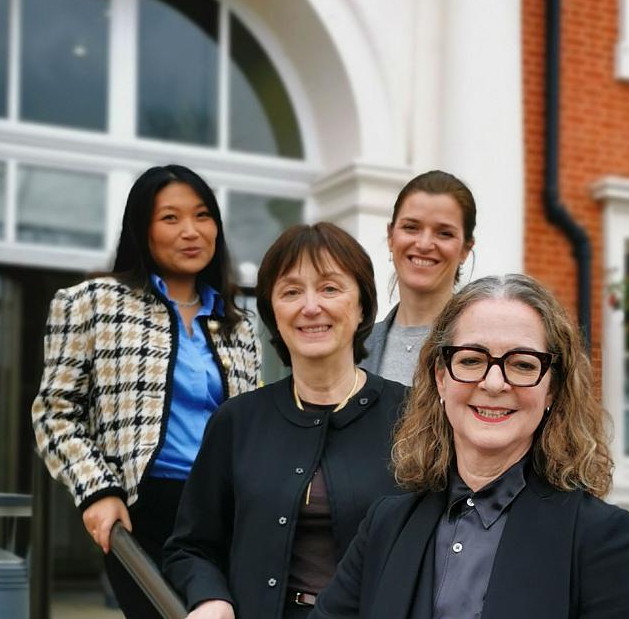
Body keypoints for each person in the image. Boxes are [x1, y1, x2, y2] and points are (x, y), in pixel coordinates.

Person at [315, 274, 629, 619]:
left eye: (523, 364)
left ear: (551, 389)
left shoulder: (601, 539)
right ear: (440, 377)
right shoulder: (384, 526)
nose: (494, 383)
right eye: (471, 360)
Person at [33, 164, 262, 619]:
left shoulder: (239, 325)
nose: (191, 231)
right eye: (170, 218)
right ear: (142, 228)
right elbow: (54, 414)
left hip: (227, 511)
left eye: (202, 216)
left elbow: (251, 425)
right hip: (143, 510)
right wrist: (97, 491)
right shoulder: (90, 303)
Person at [163, 222, 408, 619]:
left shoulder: (413, 417)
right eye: (292, 292)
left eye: (330, 288)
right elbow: (190, 547)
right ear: (273, 313)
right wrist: (211, 598)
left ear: (362, 304)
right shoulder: (236, 421)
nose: (311, 307)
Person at [364, 171, 476, 385]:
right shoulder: (354, 348)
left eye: (444, 233)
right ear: (390, 236)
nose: (424, 244)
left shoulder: (480, 345)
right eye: (411, 228)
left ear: (465, 249)